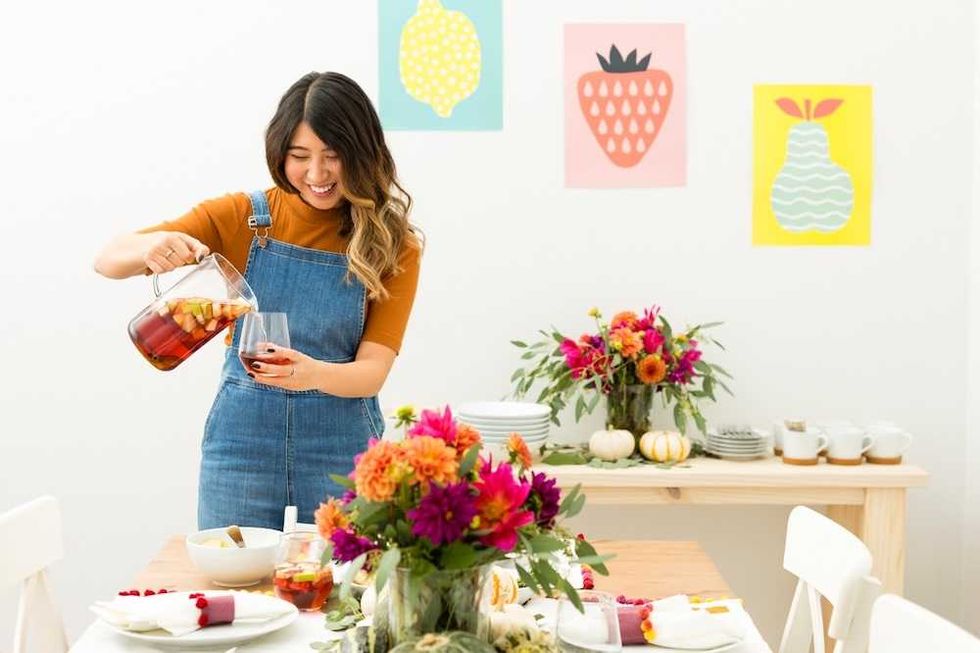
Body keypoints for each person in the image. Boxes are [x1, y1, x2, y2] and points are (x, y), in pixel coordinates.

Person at [94, 72, 421, 530]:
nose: (317, 174)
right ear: (279, 154)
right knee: (230, 589)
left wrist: (312, 374)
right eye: (300, 156)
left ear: (362, 153)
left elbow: (372, 371)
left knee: (346, 595)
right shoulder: (244, 218)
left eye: (333, 156)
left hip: (341, 451)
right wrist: (154, 246)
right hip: (241, 450)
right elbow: (108, 259)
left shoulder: (393, 244)